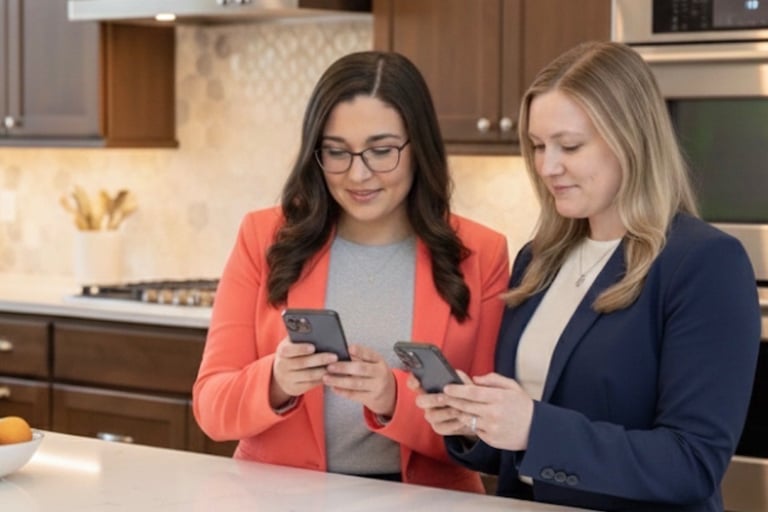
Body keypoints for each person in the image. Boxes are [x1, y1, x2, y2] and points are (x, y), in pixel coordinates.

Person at [412, 41, 761, 511]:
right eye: (537, 146)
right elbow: (523, 451)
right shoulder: (539, 260)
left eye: (569, 145)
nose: (547, 166)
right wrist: (474, 422)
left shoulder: (703, 263)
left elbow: (692, 464)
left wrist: (534, 427)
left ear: (629, 139)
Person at [192, 50, 509, 493]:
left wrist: (392, 398)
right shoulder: (263, 237)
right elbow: (210, 407)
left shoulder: (481, 253)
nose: (358, 175)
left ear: (421, 148)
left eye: (381, 151)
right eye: (337, 152)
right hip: (278, 498)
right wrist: (276, 382)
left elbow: (484, 435)